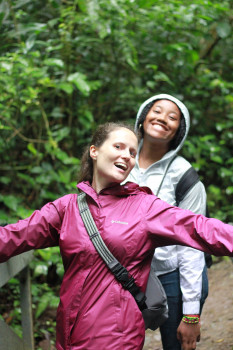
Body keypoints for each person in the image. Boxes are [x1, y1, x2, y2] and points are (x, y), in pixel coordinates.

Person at [0, 122, 233, 350]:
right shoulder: (67, 208)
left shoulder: (145, 207)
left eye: (133, 152)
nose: (128, 156)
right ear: (94, 151)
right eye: (119, 147)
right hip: (67, 336)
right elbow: (15, 236)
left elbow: (200, 228)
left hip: (116, 339)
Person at [125, 93, 208, 350]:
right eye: (157, 111)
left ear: (178, 131)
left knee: (177, 345)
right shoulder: (120, 158)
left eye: (172, 117)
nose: (162, 118)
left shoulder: (183, 175)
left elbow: (192, 243)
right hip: (127, 274)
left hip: (173, 274)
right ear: (143, 116)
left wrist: (191, 314)